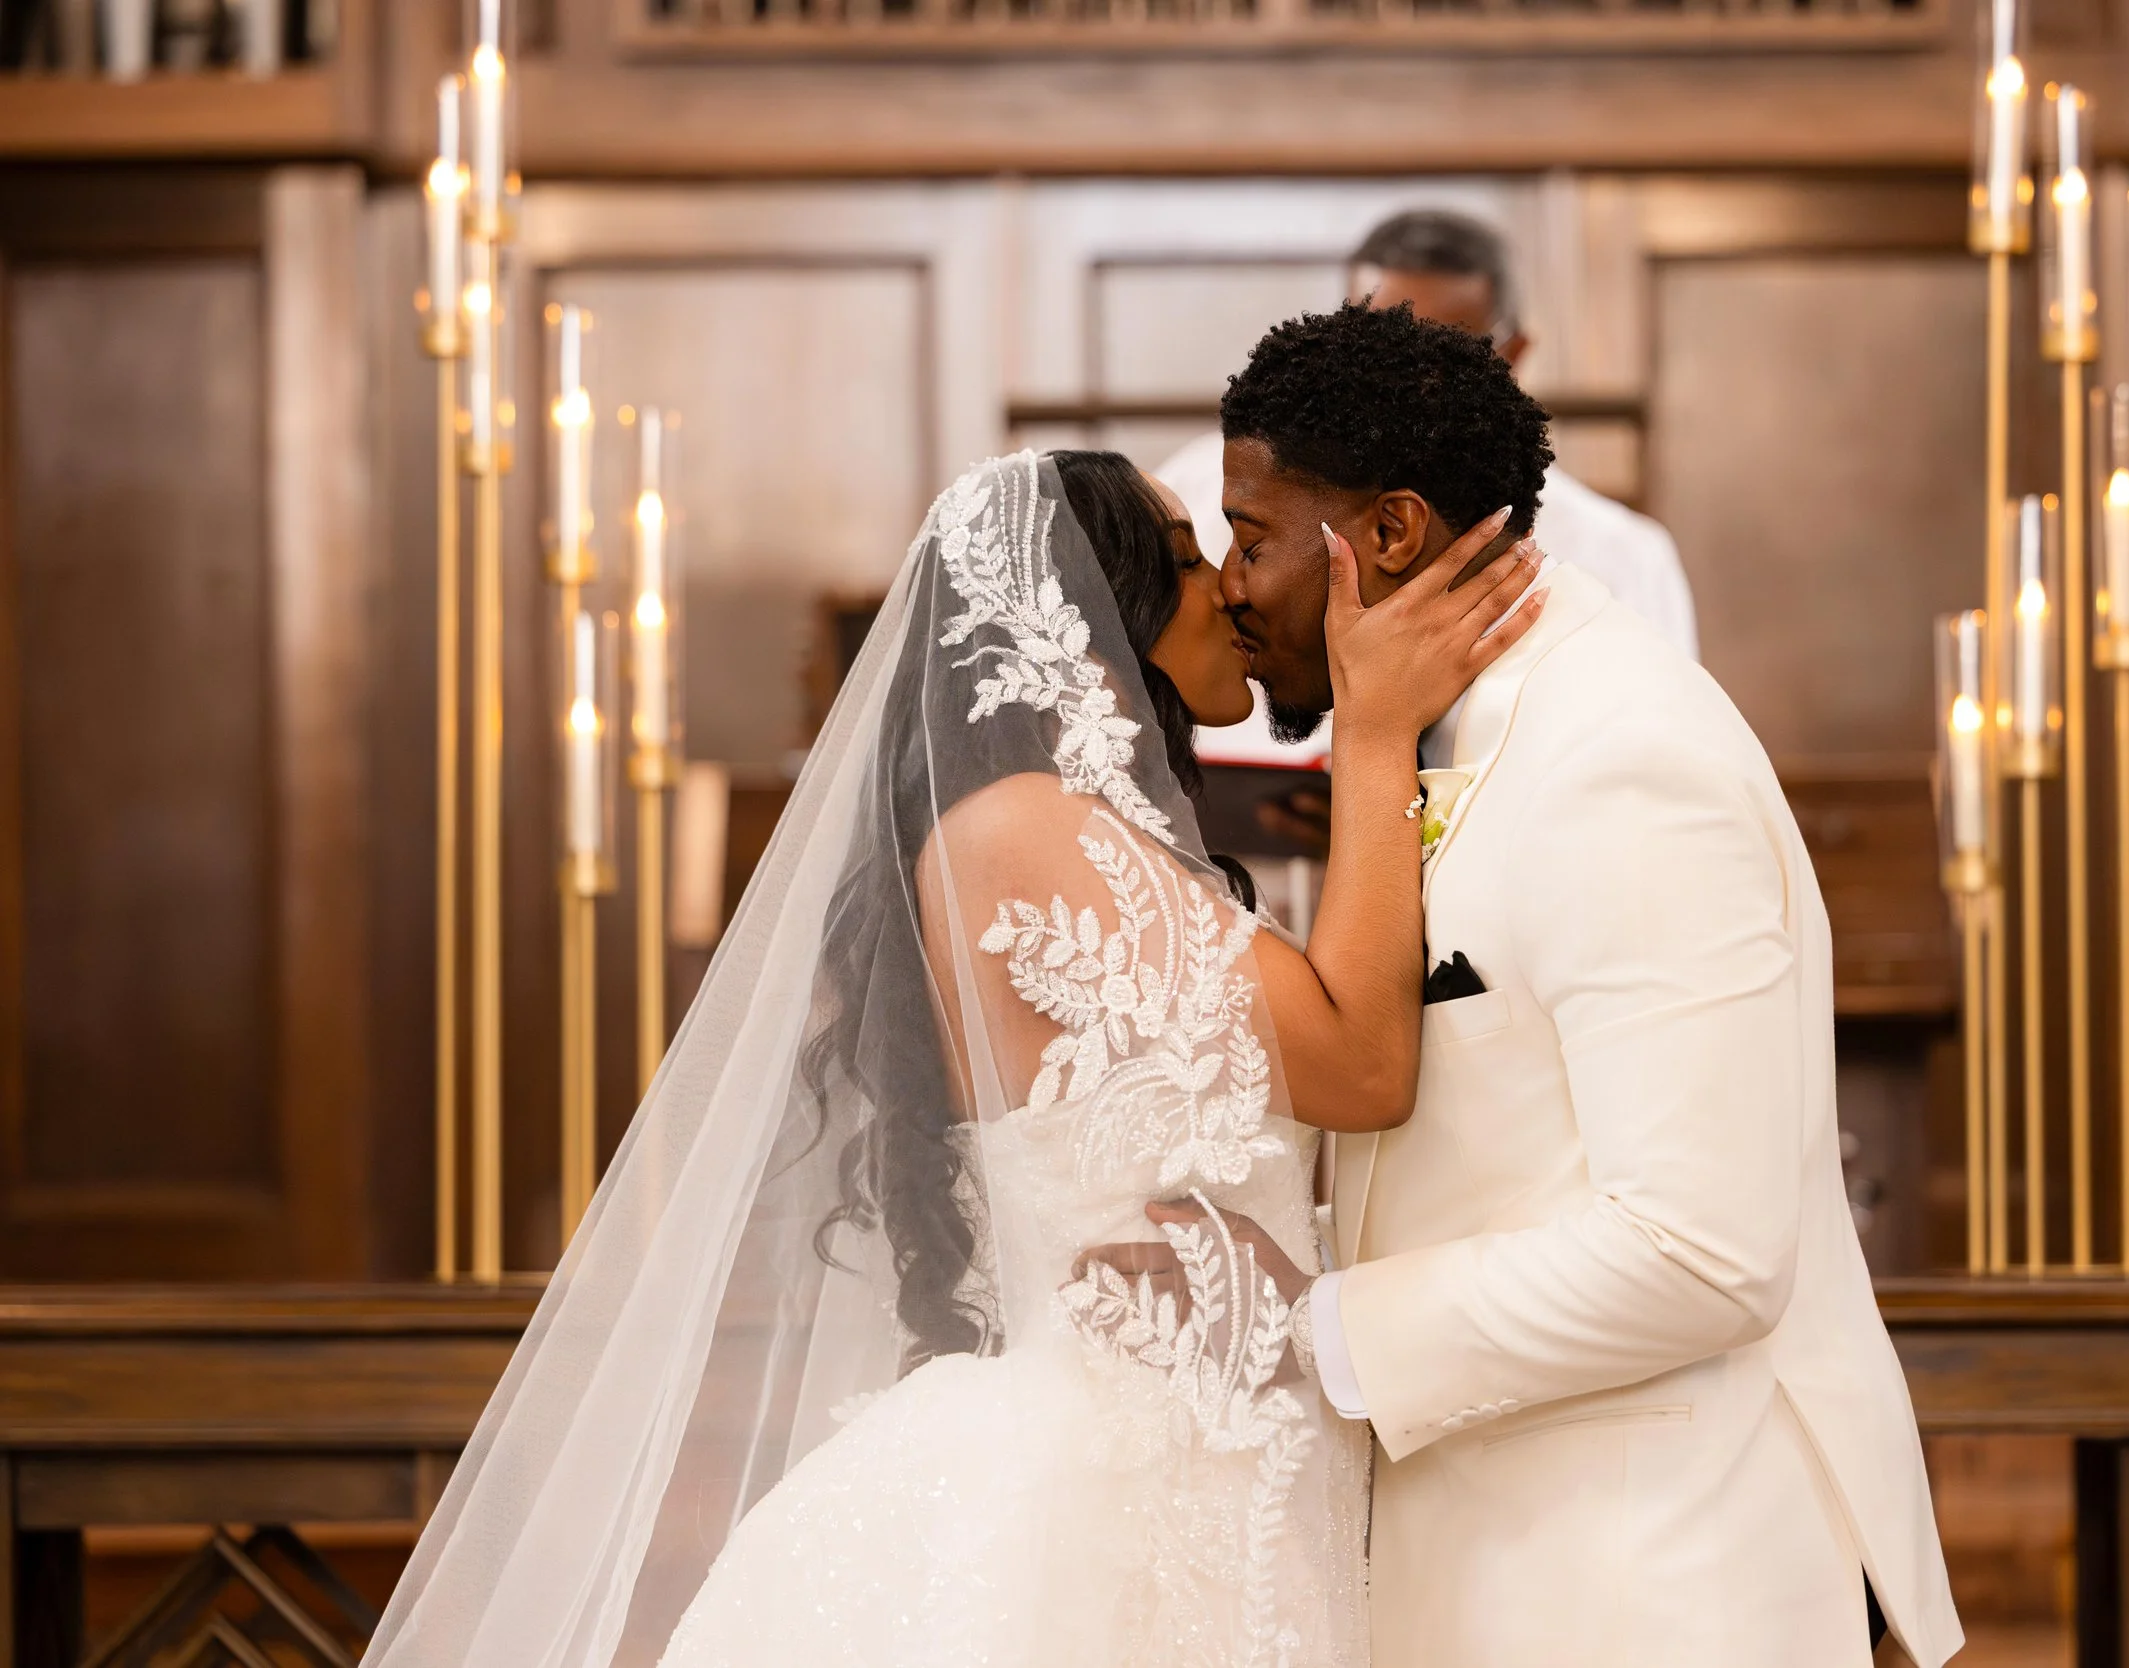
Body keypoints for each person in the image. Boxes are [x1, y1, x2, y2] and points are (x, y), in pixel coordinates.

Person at [360, 446, 1542, 1668]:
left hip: (1219, 1453)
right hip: (1119, 1485)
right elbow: (1357, 1065)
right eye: (1186, 564)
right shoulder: (1029, 825)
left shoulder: (1078, 827)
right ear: (1089, 621)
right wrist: (1377, 735)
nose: (1228, 594)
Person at [1089, 302, 1963, 1666]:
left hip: (1645, 1579)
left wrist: (1312, 1332)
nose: (1237, 590)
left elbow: (1703, 1250)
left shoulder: (1624, 756)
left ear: (1386, 534)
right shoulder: (1428, 740)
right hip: (1511, 1555)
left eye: (1255, 539)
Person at [1158, 206, 1698, 660]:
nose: (1395, 377)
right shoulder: (1198, 487)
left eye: (1442, 353)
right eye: (1370, 339)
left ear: (1512, 356)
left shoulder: (1620, 555)